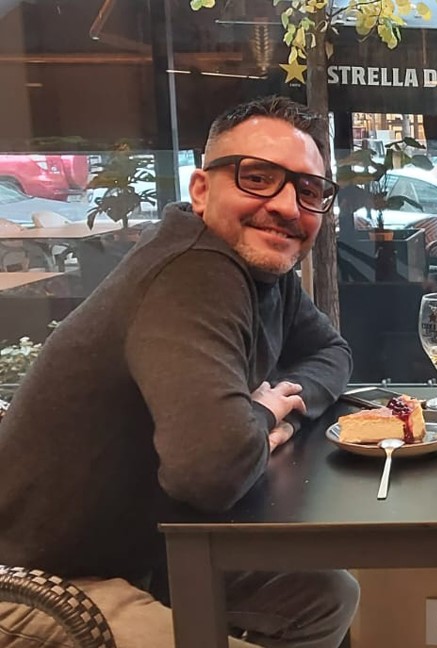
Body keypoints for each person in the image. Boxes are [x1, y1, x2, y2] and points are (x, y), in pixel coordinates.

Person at [0, 96, 359, 647]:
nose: (288, 206)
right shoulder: (193, 271)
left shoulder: (265, 273)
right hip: (42, 581)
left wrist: (281, 403)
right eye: (257, 178)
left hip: (146, 551)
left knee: (324, 596)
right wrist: (262, 414)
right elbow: (210, 470)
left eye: (308, 190)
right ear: (201, 190)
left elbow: (332, 353)